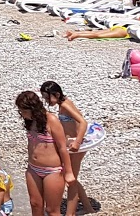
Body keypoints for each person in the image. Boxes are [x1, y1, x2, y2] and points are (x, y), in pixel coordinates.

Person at [41, 81, 99, 216]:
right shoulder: (62, 104)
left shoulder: (66, 105)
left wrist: (77, 142)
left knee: (71, 180)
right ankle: (88, 207)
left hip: (76, 147)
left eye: (47, 97)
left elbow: (83, 122)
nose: (46, 100)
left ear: (56, 94)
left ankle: (70, 214)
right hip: (71, 145)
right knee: (72, 176)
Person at [16, 89, 75, 216]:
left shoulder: (51, 120)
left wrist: (69, 172)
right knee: (35, 204)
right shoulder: (30, 121)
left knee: (52, 211)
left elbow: (62, 147)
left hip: (52, 171)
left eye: (24, 111)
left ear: (33, 108)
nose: (22, 114)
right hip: (33, 169)